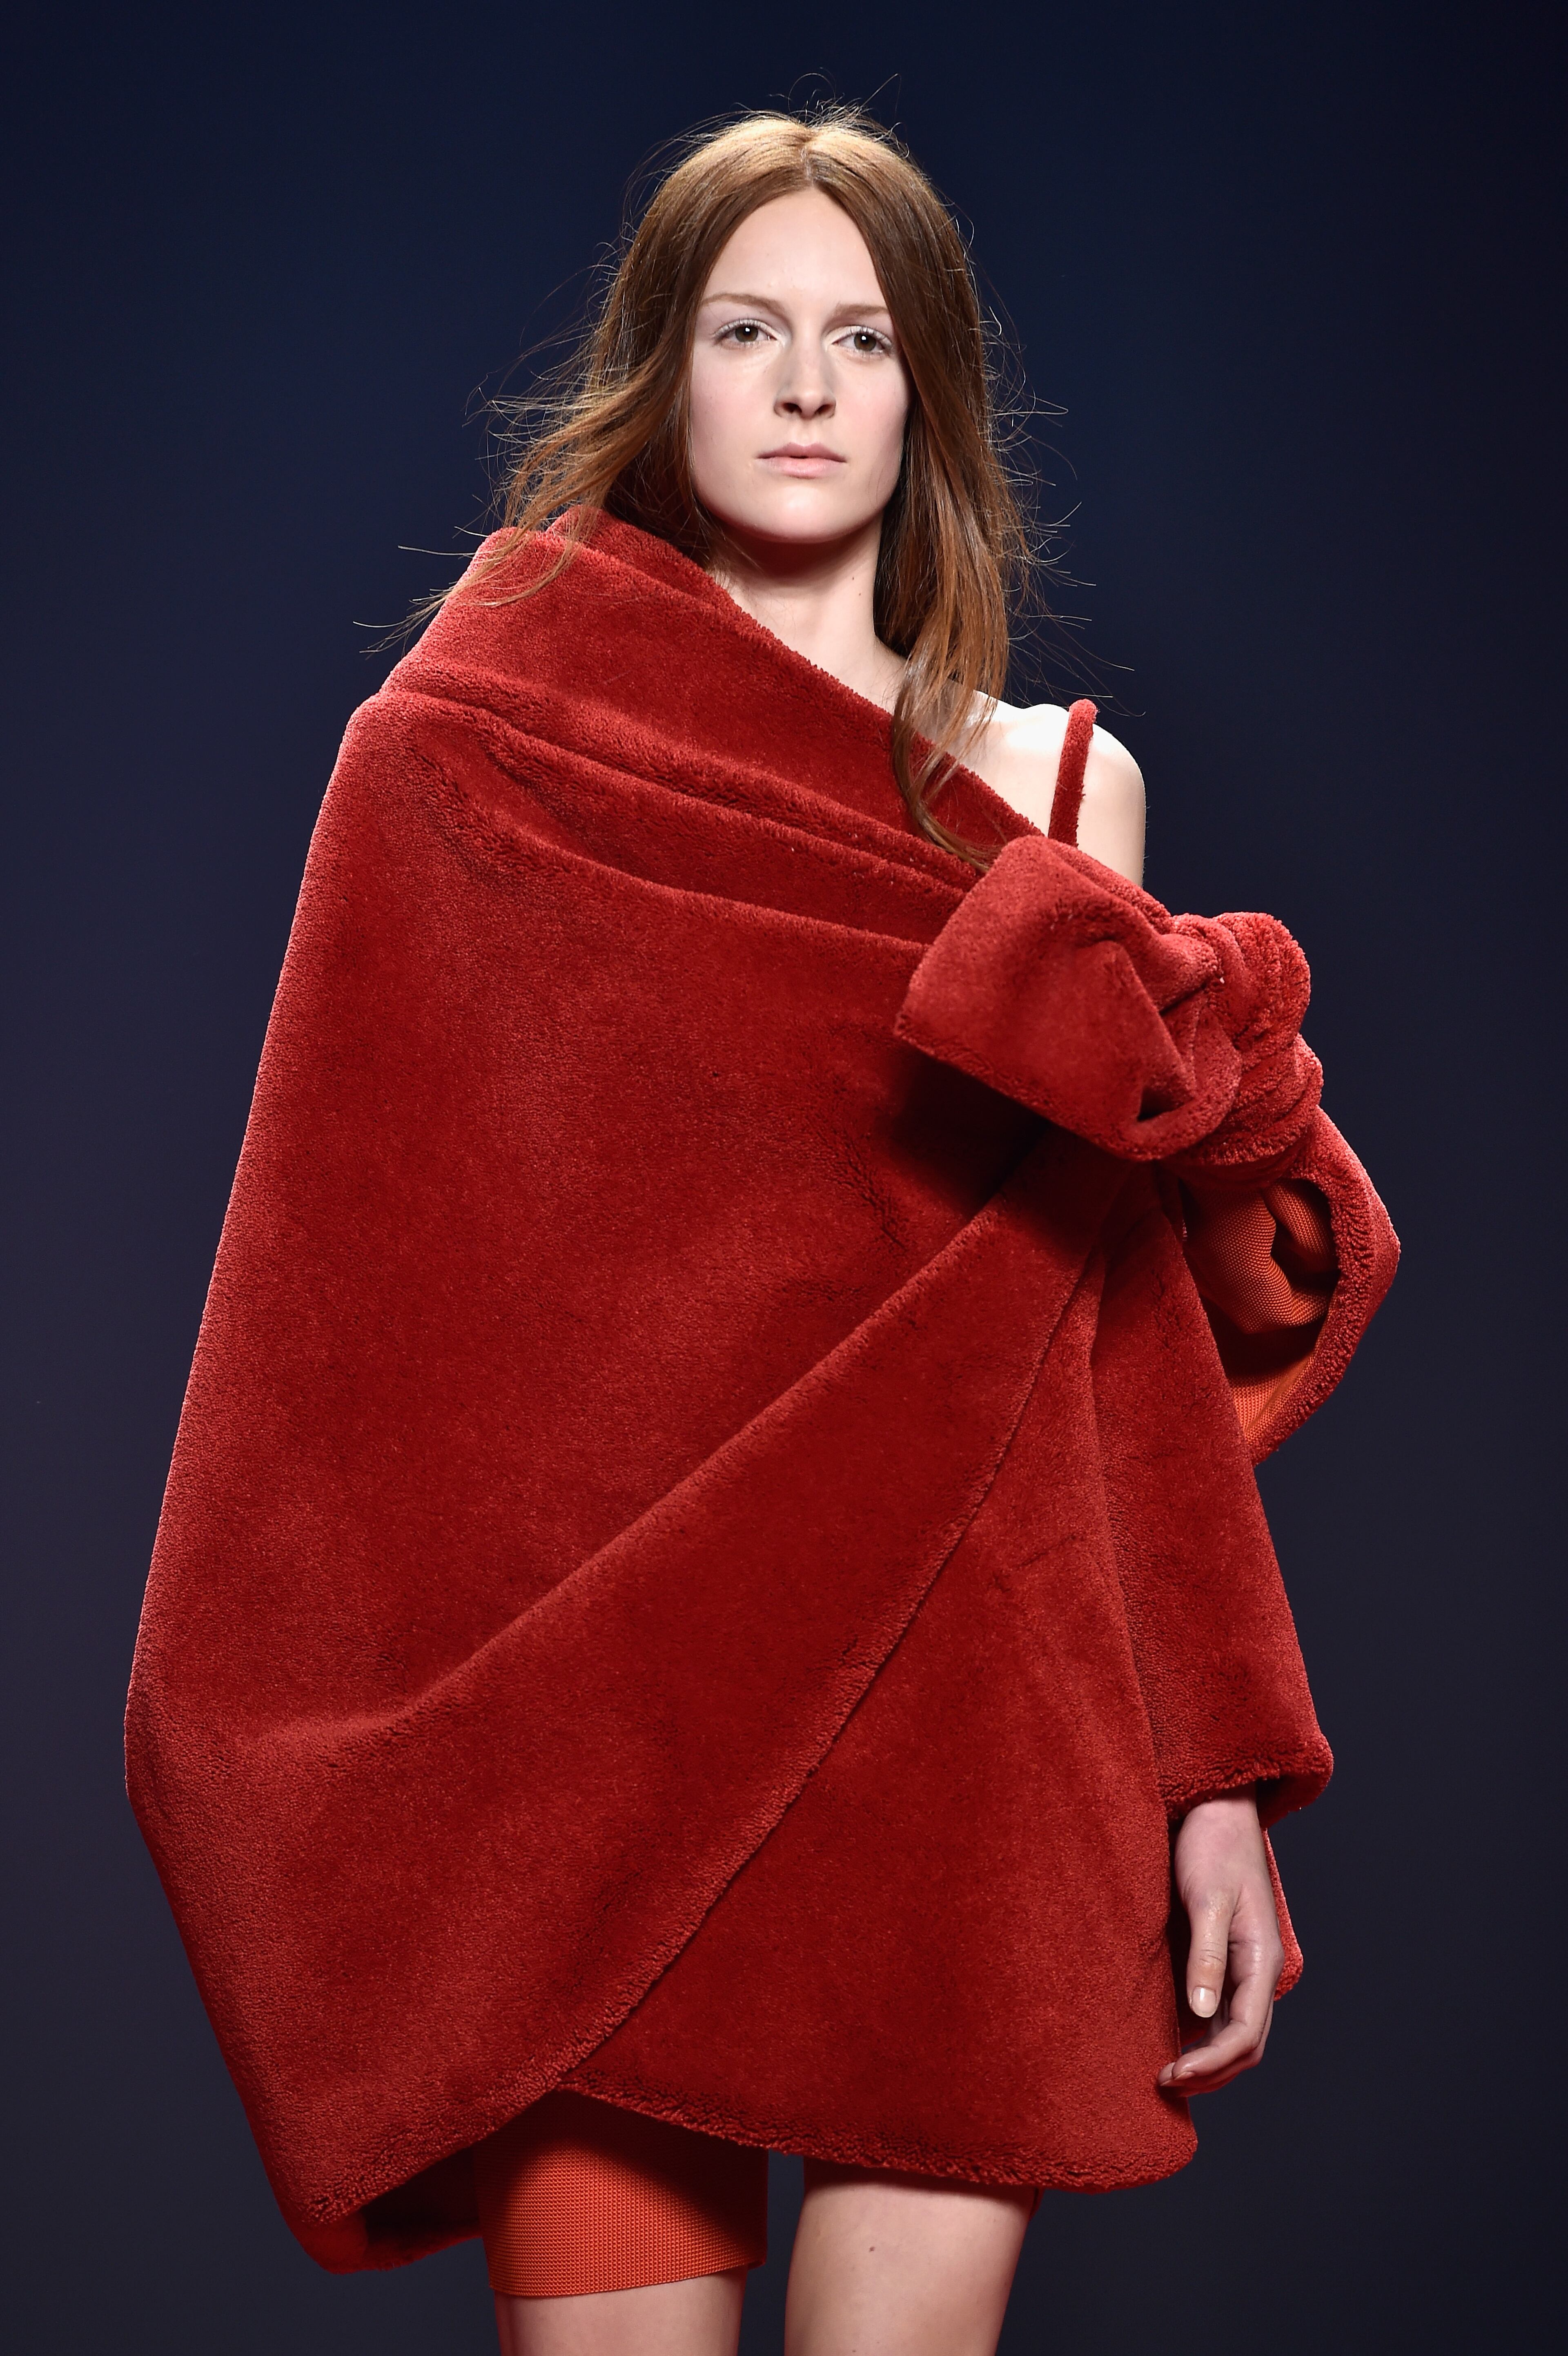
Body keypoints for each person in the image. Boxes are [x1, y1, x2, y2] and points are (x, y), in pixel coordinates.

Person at [125, 109, 1397, 2356]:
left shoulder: (1063, 790)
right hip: (615, 1766)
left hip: (979, 1749)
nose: (807, 386)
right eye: (746, 331)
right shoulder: (476, 745)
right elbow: (357, 1305)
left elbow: (1096, 1333)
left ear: (925, 404)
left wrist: (1216, 1767)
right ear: (667, 374)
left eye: (861, 339)